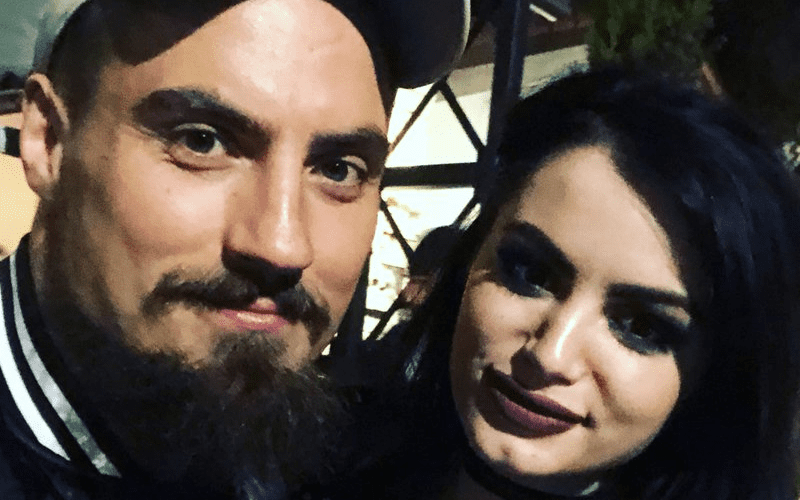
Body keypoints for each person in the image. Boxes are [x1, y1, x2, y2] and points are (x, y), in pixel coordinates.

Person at [0, 0, 468, 498]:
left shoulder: (311, 462)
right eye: (202, 142)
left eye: (339, 170)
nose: (283, 246)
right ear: (49, 141)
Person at [338, 68, 800, 499]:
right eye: (530, 274)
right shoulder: (324, 462)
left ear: (715, 376)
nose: (550, 355)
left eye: (640, 326)